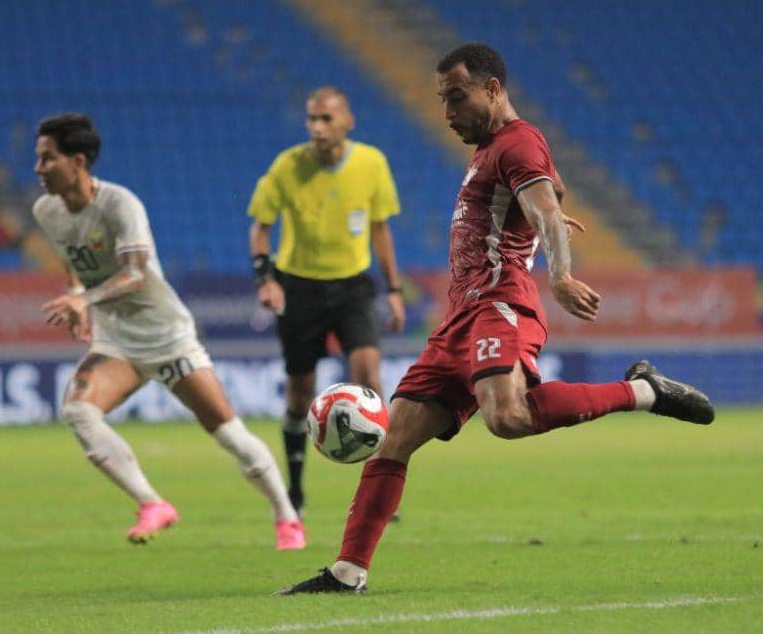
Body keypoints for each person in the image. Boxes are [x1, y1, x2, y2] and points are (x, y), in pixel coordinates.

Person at [278, 43, 715, 594]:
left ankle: (644, 392)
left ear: (492, 89)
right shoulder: (493, 150)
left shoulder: (517, 141)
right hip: (459, 318)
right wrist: (543, 209)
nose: (447, 112)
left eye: (456, 98)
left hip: (499, 304)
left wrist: (558, 270)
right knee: (393, 440)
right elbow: (540, 198)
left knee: (507, 417)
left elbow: (545, 208)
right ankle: (348, 573)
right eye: (441, 100)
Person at [32, 113, 304, 549]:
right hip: (117, 339)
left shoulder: (120, 205)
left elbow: (136, 274)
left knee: (228, 432)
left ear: (77, 161)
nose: (38, 168)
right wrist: (77, 294)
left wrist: (86, 299)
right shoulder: (46, 211)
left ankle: (287, 517)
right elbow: (73, 261)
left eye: (47, 159)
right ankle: (151, 504)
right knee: (79, 411)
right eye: (38, 158)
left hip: (165, 334)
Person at [248, 86, 406, 518]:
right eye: (311, 119)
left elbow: (381, 230)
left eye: (325, 119)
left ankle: (378, 492)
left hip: (353, 285)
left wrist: (393, 289)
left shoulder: (372, 163)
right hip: (298, 286)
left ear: (347, 122)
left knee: (370, 377)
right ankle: (295, 492)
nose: (316, 127)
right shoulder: (288, 166)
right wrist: (267, 280)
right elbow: (260, 227)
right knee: (301, 396)